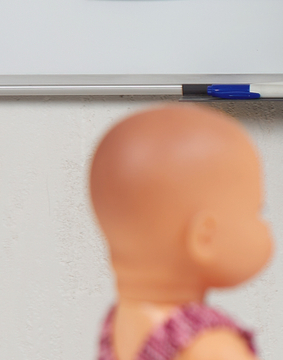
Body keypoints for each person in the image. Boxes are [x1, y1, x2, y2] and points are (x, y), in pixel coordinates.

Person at [89, 104, 272, 360]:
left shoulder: (121, 322)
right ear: (204, 238)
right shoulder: (212, 347)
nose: (266, 227)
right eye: (257, 211)